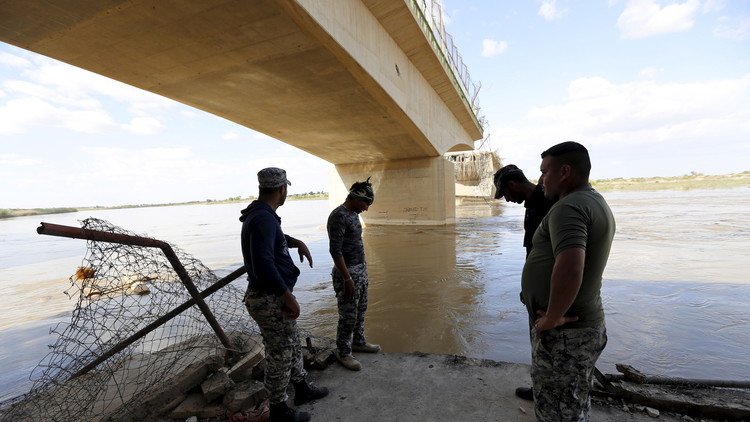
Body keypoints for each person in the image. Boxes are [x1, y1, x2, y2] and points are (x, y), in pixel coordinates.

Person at [521, 142, 616, 421]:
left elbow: (572, 267)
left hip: (566, 336)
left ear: (564, 172)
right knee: (572, 403)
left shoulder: (570, 207)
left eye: (544, 171)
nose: (540, 180)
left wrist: (552, 317)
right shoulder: (593, 200)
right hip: (580, 329)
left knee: (558, 411)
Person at [240, 167, 329, 422]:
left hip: (272, 296)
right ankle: (279, 411)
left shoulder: (261, 215)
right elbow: (263, 263)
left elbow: (273, 239)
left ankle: (302, 388)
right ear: (282, 189)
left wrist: (295, 241)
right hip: (270, 298)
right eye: (286, 189)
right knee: (279, 353)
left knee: (291, 341)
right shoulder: (263, 218)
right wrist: (286, 296)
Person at [493, 164, 556, 401]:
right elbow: (533, 251)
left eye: (505, 194)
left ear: (512, 185)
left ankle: (550, 394)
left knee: (549, 342)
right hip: (537, 289)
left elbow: (562, 256)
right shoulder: (532, 206)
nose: (507, 200)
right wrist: (527, 286)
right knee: (539, 342)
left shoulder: (548, 203)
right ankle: (541, 388)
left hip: (550, 291)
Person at [327, 178, 381, 371]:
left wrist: (362, 271)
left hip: (359, 270)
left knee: (360, 311)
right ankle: (343, 352)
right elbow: (335, 251)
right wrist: (347, 278)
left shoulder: (353, 214)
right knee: (348, 316)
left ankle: (358, 342)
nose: (366, 208)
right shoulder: (338, 216)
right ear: (356, 198)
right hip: (347, 274)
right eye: (366, 203)